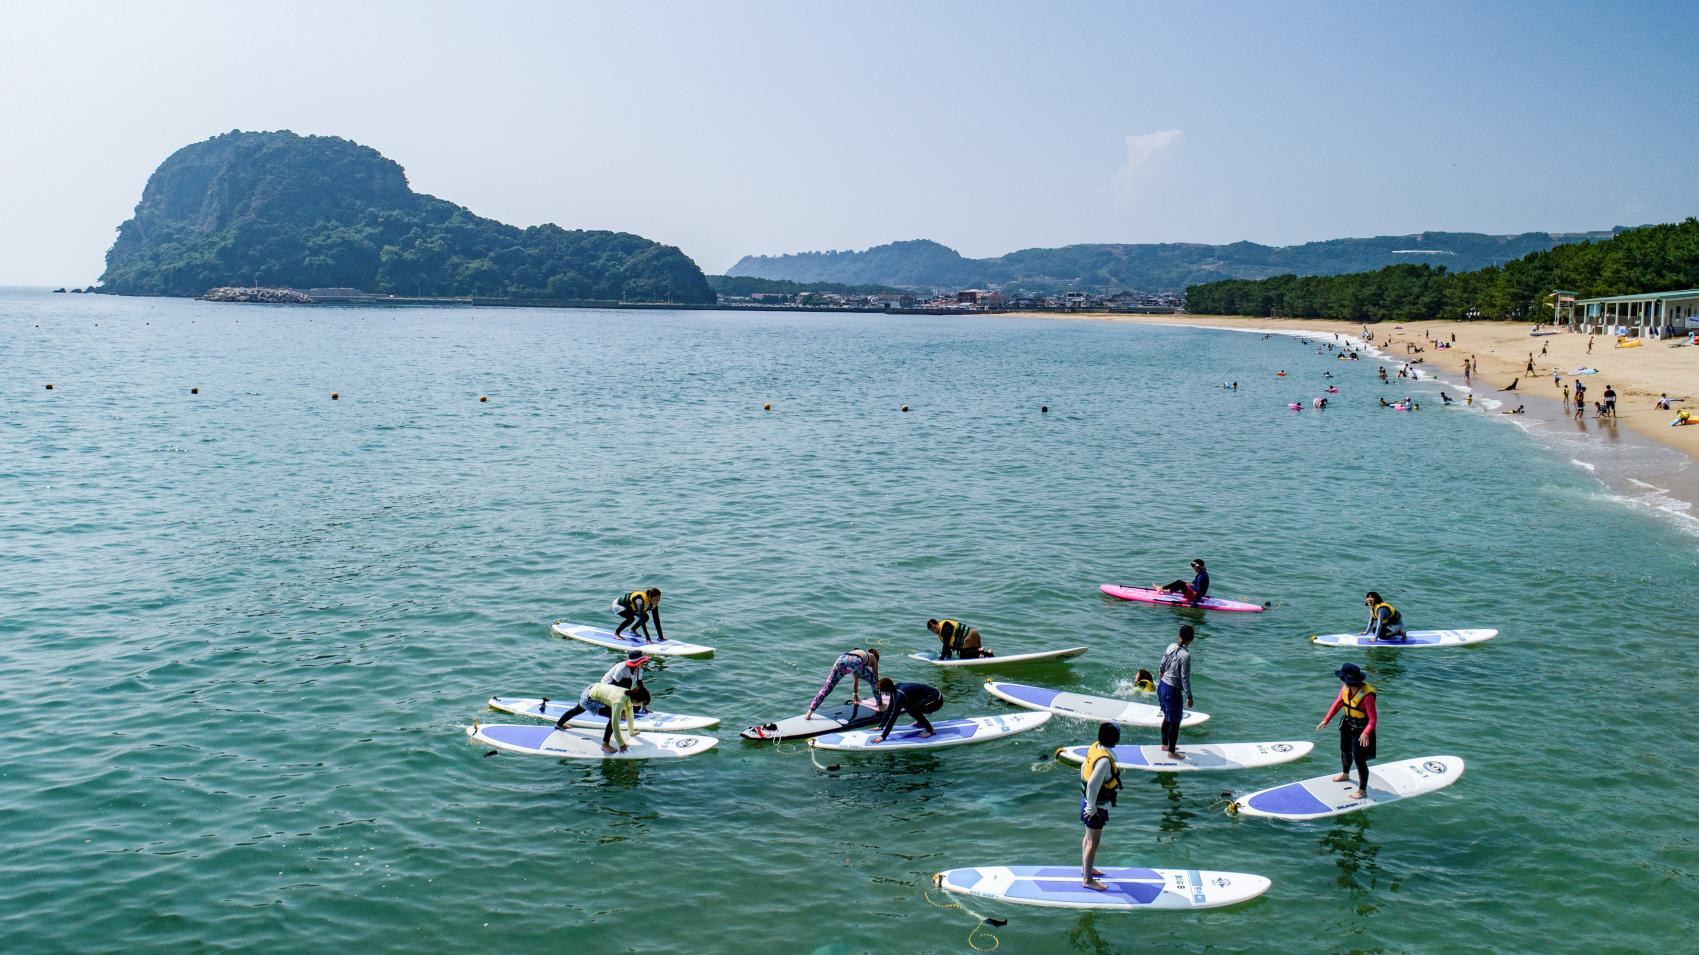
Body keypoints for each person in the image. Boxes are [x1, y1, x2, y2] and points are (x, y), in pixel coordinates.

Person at [1317, 663, 1377, 800]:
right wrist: (1326, 719)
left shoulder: (1367, 696)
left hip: (1362, 730)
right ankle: (1345, 774)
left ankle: (1362, 790)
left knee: (1359, 759)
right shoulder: (1345, 688)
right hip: (1348, 723)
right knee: (1344, 749)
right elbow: (1338, 703)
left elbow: (1373, 720)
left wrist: (1366, 732)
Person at [1079, 722, 1122, 891]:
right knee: (1093, 842)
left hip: (1088, 801)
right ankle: (1088, 879)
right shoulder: (1104, 761)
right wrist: (1091, 808)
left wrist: (1087, 802)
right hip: (1094, 807)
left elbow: (1083, 768)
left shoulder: (1095, 747)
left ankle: (1086, 868)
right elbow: (1092, 784)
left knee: (1088, 838)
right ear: (1115, 740)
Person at [554, 682, 651, 753]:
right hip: (589, 699)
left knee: (577, 709)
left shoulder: (628, 694)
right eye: (643, 703)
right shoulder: (619, 701)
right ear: (636, 700)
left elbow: (630, 714)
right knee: (612, 717)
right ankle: (605, 745)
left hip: (592, 689)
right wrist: (621, 744)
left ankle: (559, 724)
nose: (642, 705)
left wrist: (631, 732)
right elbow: (615, 723)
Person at [805, 648, 880, 719]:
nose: (869, 666)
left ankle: (809, 713)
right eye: (870, 665)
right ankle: (880, 706)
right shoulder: (873, 657)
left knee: (827, 688)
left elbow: (856, 677)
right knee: (873, 681)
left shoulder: (860, 654)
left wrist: (855, 694)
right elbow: (876, 680)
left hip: (840, 660)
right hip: (853, 661)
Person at [1156, 625, 1195, 759]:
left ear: (1179, 635)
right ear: (1191, 639)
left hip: (1162, 686)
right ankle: (1171, 752)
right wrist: (1189, 696)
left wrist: (1161, 673)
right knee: (1175, 722)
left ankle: (1164, 745)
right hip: (1172, 690)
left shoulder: (1170, 646)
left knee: (1167, 716)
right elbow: (1184, 678)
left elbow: (1162, 663)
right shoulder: (1186, 655)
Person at [871, 678, 942, 742]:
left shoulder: (899, 696)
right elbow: (890, 709)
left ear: (887, 689)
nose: (882, 693)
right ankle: (920, 722)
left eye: (882, 690)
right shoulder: (894, 690)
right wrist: (881, 726)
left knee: (912, 710)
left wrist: (883, 736)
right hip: (926, 698)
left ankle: (930, 730)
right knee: (909, 707)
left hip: (936, 700)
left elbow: (893, 717)